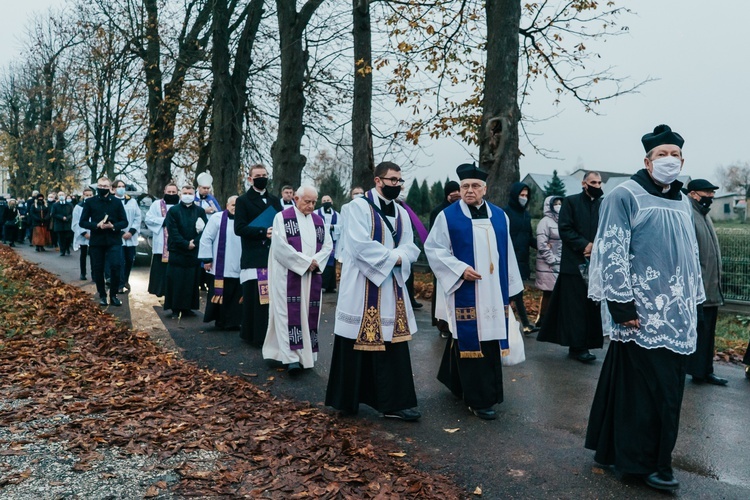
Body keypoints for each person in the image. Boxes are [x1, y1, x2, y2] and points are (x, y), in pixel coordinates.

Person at [585, 124, 705, 492]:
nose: (669, 160)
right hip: (642, 310)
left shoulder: (683, 200)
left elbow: (690, 253)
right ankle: (648, 464)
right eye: (661, 155)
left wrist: (694, 298)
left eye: (675, 155)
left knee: (640, 384)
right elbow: (612, 250)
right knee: (651, 392)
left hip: (678, 312)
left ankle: (610, 448)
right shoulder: (624, 195)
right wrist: (622, 305)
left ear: (682, 160)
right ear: (647, 160)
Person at [425, 164, 523, 420]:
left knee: (489, 341)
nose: (470, 190)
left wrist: (512, 290)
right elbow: (434, 249)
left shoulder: (501, 216)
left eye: (475, 186)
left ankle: (458, 383)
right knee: (470, 338)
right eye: (465, 186)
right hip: (466, 289)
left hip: (494, 290)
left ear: (484, 189)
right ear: (460, 189)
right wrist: (459, 270)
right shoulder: (448, 216)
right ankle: (479, 400)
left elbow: (508, 253)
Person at [325, 161, 421, 421]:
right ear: (378, 181)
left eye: (400, 181)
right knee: (355, 339)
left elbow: (411, 246)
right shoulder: (355, 208)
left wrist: (400, 258)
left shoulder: (401, 212)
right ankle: (347, 399)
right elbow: (358, 246)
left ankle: (393, 403)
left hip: (390, 288)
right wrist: (395, 258)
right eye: (392, 180)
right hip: (361, 285)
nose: (397, 185)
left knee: (391, 342)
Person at [263, 186, 333, 372]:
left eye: (313, 202)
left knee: (308, 315)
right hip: (288, 276)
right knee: (287, 314)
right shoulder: (282, 218)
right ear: (295, 198)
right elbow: (280, 248)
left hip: (311, 276)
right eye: (307, 201)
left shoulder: (319, 221)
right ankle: (291, 357)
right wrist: (304, 263)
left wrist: (315, 262)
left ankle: (306, 355)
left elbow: (327, 246)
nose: (311, 206)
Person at [537, 172, 604, 362]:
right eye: (593, 182)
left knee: (591, 306)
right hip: (574, 264)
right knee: (575, 308)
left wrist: (597, 247)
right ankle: (577, 346)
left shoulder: (603, 204)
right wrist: (585, 245)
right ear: (584, 183)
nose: (597, 185)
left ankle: (586, 343)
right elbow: (565, 229)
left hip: (595, 263)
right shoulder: (571, 202)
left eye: (599, 182)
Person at [684, 179, 727, 386]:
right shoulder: (688, 215)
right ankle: (698, 371)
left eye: (712, 194)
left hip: (711, 286)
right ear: (693, 194)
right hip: (698, 287)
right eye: (707, 193)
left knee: (708, 332)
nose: (710, 197)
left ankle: (704, 370)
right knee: (699, 332)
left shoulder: (704, 215)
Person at [234, 164, 282, 346]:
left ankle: (271, 333)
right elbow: (239, 228)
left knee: (271, 298)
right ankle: (254, 334)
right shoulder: (243, 201)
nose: (261, 178)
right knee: (255, 297)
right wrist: (263, 231)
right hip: (254, 255)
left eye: (264, 175)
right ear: (250, 179)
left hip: (272, 254)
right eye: (257, 175)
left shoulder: (274, 200)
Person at [79, 177, 128, 307]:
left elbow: (124, 221)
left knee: (116, 266)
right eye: (100, 186)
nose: (102, 188)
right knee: (98, 268)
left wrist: (113, 226)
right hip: (97, 241)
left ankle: (113, 295)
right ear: (97, 187)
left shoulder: (117, 203)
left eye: (105, 186)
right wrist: (96, 225)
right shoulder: (90, 202)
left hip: (114, 239)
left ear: (110, 188)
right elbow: (82, 222)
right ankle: (102, 295)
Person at [199, 196, 243, 330]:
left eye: (238, 205)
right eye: (233, 204)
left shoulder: (245, 220)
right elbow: (206, 238)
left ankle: (234, 321)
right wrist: (207, 259)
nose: (235, 207)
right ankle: (220, 320)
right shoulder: (217, 218)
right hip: (220, 264)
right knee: (222, 292)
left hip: (239, 263)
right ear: (227, 205)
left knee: (236, 293)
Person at [164, 185, 208, 318]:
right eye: (185, 193)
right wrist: (184, 244)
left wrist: (194, 243)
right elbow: (172, 231)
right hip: (177, 250)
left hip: (193, 251)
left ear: (194, 194)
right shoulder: (173, 211)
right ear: (180, 194)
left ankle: (188, 307)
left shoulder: (200, 211)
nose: (187, 195)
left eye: (190, 193)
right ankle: (175, 308)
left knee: (191, 279)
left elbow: (205, 230)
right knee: (177, 280)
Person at [428, 180, 461, 338]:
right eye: (452, 192)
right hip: (442, 257)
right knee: (441, 294)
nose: (455, 195)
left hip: (458, 258)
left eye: (457, 191)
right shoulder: (438, 212)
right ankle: (443, 326)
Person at [504, 182, 537, 333]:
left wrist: (541, 245)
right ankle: (522, 323)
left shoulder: (526, 215)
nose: (524, 198)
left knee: (517, 291)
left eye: (526, 196)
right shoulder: (505, 213)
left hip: (522, 258)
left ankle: (524, 323)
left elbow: (529, 237)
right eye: (521, 195)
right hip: (509, 258)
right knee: (514, 293)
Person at [534, 196, 563, 326]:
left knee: (554, 293)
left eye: (560, 203)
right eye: (555, 204)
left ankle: (549, 320)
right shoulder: (545, 222)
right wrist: (552, 260)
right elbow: (542, 244)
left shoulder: (562, 221)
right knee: (548, 293)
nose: (558, 206)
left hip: (558, 262)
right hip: (547, 264)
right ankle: (543, 320)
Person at [146, 183, 179, 297]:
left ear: (177, 192)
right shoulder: (156, 204)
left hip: (177, 243)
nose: (171, 194)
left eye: (173, 192)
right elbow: (149, 219)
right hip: (161, 241)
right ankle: (159, 289)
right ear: (164, 191)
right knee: (160, 268)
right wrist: (163, 221)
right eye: (169, 192)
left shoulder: (181, 205)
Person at [112, 180, 142, 293]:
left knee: (129, 260)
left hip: (131, 236)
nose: (121, 188)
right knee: (120, 261)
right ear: (113, 189)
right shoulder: (112, 201)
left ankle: (125, 280)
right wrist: (120, 233)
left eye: (123, 186)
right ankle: (119, 284)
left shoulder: (132, 201)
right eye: (119, 186)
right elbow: (111, 219)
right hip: (118, 236)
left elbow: (137, 217)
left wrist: (131, 231)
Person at [314, 195, 340, 293]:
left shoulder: (337, 215)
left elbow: (341, 226)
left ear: (332, 202)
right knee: (322, 261)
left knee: (331, 263)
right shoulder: (316, 213)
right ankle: (322, 285)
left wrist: (333, 227)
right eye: (324, 200)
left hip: (333, 240)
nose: (326, 202)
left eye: (328, 200)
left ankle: (331, 286)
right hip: (320, 240)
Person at [335, 186, 365, 264]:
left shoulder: (368, 207)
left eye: (361, 193)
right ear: (352, 196)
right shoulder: (346, 207)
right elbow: (344, 227)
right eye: (356, 193)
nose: (359, 195)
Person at [71, 188, 94, 280]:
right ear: (83, 196)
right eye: (86, 195)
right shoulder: (78, 207)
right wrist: (84, 233)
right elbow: (76, 222)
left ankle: (94, 274)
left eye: (90, 195)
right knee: (83, 254)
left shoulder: (95, 206)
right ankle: (83, 273)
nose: (88, 197)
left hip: (93, 233)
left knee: (94, 255)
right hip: (83, 234)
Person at [50, 191, 74, 256]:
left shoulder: (69, 204)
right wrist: (61, 217)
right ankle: (62, 250)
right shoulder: (55, 205)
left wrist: (67, 218)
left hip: (68, 223)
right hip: (59, 224)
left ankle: (67, 248)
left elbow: (72, 213)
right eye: (60, 195)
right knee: (61, 238)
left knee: (68, 237)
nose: (61, 196)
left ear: (65, 195)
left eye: (62, 195)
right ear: (58, 196)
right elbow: (53, 214)